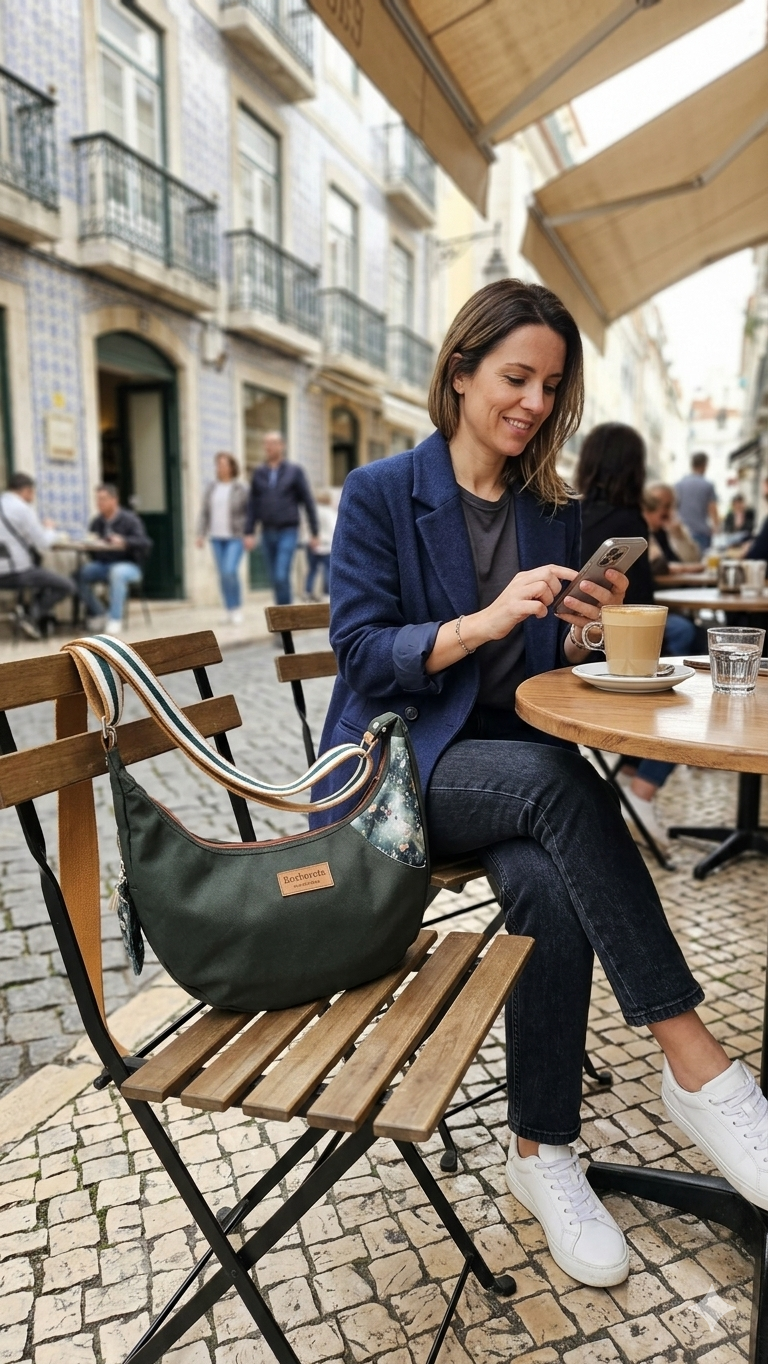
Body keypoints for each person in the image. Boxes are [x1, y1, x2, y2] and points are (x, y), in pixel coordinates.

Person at [316, 278, 768, 1290]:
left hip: (508, 772)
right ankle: (695, 1063)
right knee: (559, 784)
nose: (533, 402)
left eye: (551, 385)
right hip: (399, 773)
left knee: (547, 879)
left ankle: (542, 1150)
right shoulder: (382, 492)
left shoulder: (551, 511)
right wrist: (481, 621)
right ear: (461, 371)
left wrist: (580, 633)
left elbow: (537, 671)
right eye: (515, 377)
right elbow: (362, 654)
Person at [577, 425, 698, 847]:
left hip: (573, 644)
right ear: (634, 469)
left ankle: (631, 773)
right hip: (611, 651)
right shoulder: (628, 522)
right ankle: (642, 791)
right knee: (693, 686)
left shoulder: (569, 514)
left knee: (686, 636)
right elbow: (642, 610)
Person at [243, 432, 319, 606]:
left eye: (272, 443)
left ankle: (285, 614)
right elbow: (252, 504)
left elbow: (308, 501)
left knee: (281, 574)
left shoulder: (294, 471)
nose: (268, 447)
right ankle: (282, 613)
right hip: (266, 531)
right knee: (274, 578)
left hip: (288, 530)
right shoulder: (259, 473)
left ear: (281, 446)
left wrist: (314, 532)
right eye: (266, 443)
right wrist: (249, 532)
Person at [0, 472, 75, 639]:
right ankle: (31, 616)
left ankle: (30, 617)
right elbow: (43, 543)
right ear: (26, 490)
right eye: (32, 493)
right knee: (66, 585)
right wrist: (50, 529)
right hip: (18, 573)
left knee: (41, 580)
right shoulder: (22, 508)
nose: (32, 497)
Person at [77, 484, 152, 636]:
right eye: (97, 499)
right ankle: (99, 612)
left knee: (117, 573)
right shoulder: (97, 522)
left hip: (129, 565)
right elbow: (92, 544)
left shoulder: (130, 520)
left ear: (114, 500)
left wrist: (124, 541)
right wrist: (92, 544)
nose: (99, 503)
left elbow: (144, 542)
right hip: (103, 564)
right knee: (80, 574)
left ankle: (115, 618)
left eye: (103, 499)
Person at [197, 452, 248, 625]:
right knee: (222, 575)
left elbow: (249, 512)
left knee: (229, 571)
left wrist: (249, 533)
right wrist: (200, 534)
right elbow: (204, 512)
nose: (221, 467)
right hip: (216, 537)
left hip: (236, 536)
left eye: (224, 464)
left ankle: (237, 608)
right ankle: (228, 609)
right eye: (218, 464)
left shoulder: (240, 488)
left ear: (232, 467)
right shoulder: (212, 488)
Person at [643, 483, 702, 571]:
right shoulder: (641, 532)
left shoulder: (673, 529)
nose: (669, 511)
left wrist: (679, 537)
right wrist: (687, 568)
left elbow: (694, 559)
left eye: (672, 506)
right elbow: (657, 566)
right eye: (666, 506)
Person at [675, 452, 719, 553]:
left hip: (683, 532)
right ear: (704, 465)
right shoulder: (707, 485)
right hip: (701, 532)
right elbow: (712, 509)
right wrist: (716, 528)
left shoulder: (679, 485)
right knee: (701, 560)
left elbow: (674, 508)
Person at [304, 491, 336, 601]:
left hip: (312, 544)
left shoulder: (313, 511)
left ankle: (307, 592)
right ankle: (326, 593)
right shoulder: (329, 512)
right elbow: (333, 528)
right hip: (326, 545)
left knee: (312, 570)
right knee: (327, 570)